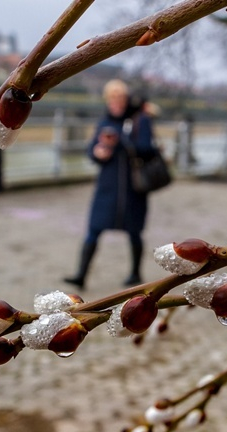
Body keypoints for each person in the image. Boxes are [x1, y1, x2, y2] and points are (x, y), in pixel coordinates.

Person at [63, 80, 160, 290]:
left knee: (135, 231)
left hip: (133, 188)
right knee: (93, 229)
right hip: (107, 186)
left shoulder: (139, 120)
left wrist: (122, 140)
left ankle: (135, 273)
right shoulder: (103, 121)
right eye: (112, 98)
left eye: (120, 97)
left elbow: (147, 149)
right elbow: (91, 151)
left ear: (126, 100)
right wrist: (98, 153)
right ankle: (81, 275)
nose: (116, 102)